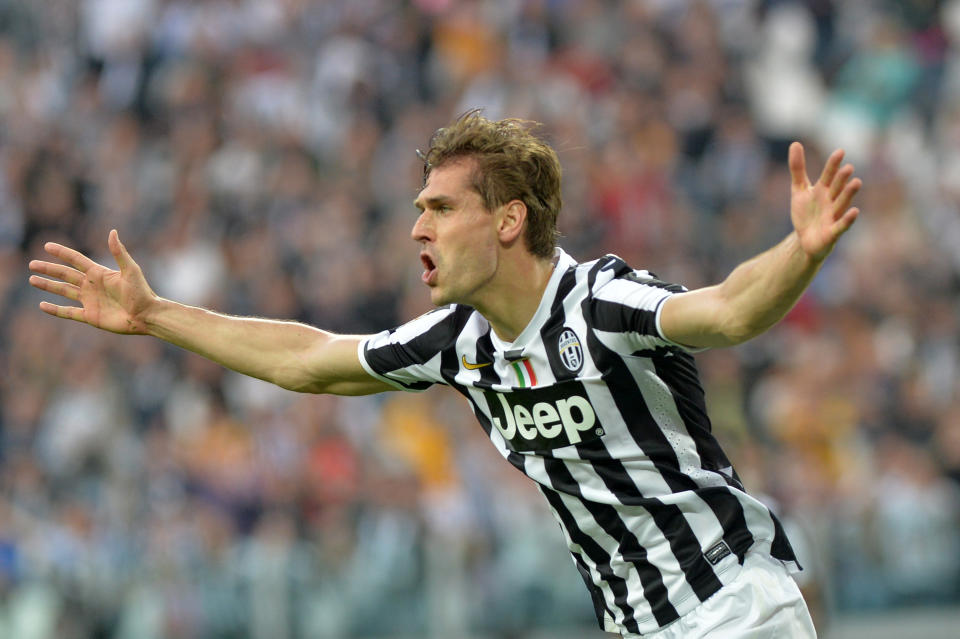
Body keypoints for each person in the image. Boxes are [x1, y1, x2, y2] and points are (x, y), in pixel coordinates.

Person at [28, 111, 861, 638]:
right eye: (418, 207)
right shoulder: (458, 341)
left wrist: (800, 252)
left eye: (440, 207)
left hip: (732, 608)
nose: (417, 225)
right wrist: (155, 315)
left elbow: (728, 311)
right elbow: (311, 361)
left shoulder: (599, 301)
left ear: (508, 220)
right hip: (638, 623)